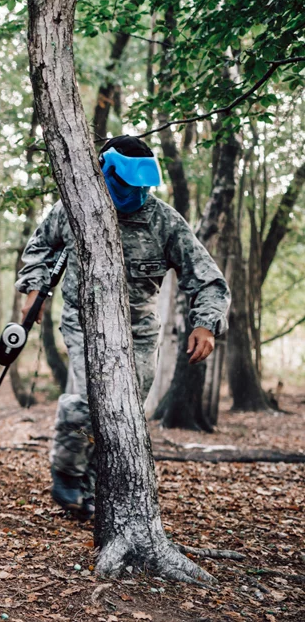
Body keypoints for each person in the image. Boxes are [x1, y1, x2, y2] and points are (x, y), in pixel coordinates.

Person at [16, 135, 230, 519]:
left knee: (124, 415)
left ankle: (92, 491)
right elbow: (39, 248)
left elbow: (208, 280)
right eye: (129, 185)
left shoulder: (164, 221)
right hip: (83, 321)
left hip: (139, 331)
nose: (138, 194)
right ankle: (68, 473)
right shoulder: (74, 209)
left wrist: (206, 324)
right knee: (89, 400)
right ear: (106, 173)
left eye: (144, 187)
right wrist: (34, 290)